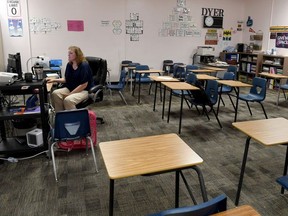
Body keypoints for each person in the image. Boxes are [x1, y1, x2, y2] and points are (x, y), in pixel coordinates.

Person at [46, 46, 94, 112]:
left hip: (84, 90)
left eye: (71, 53)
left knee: (68, 100)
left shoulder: (84, 65)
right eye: (68, 53)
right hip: (71, 88)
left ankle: (74, 120)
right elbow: (66, 79)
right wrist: (54, 80)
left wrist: (70, 94)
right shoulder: (69, 65)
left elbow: (84, 85)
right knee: (55, 93)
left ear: (77, 55)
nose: (68, 55)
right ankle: (61, 116)